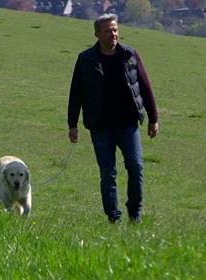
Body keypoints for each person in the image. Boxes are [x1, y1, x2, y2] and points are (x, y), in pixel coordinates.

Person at [67, 13, 159, 224]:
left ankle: (135, 213)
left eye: (115, 30)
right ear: (97, 34)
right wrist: (72, 125)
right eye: (108, 31)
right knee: (108, 173)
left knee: (136, 168)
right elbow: (76, 93)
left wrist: (153, 119)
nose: (113, 34)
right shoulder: (86, 59)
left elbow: (145, 87)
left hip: (128, 125)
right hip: (101, 127)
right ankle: (113, 217)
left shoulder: (130, 55)